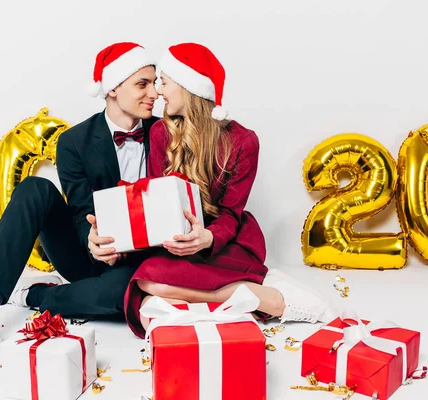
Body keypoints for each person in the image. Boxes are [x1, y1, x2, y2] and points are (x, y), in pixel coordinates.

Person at [0, 42, 159, 381]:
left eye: (155, 83)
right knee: (35, 188)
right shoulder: (74, 140)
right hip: (88, 255)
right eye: (143, 84)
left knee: (125, 294)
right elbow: (79, 208)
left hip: (143, 261)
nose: (154, 93)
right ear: (114, 87)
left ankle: (38, 294)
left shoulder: (168, 132)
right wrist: (91, 237)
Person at [124, 43, 336, 338]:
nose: (158, 91)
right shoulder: (161, 133)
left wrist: (207, 237)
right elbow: (158, 199)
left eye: (164, 82)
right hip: (180, 244)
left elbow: (230, 213)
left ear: (187, 87)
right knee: (147, 284)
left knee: (154, 292)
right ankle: (240, 295)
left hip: (225, 240)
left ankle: (224, 297)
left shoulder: (243, 141)